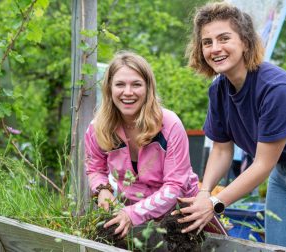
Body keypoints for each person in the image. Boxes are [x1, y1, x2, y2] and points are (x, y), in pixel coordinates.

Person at [176, 2, 286, 251]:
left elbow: (262, 163)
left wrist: (216, 203)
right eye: (207, 42)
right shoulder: (218, 90)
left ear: (246, 42)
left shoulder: (276, 89)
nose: (215, 48)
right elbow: (221, 150)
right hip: (284, 177)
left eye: (224, 38)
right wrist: (204, 192)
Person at [84, 51, 199, 238]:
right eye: (120, 84)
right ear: (109, 89)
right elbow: (95, 169)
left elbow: (175, 185)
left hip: (181, 216)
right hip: (131, 216)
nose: (127, 92)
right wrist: (103, 190)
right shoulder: (98, 128)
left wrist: (132, 214)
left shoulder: (170, 125)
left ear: (148, 88)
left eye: (136, 84)